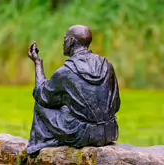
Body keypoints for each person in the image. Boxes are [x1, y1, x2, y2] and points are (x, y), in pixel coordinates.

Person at [27, 25, 121, 155]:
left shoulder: (66, 72)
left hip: (83, 134)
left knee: (40, 105)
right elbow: (116, 105)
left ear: (71, 41)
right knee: (66, 110)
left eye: (65, 38)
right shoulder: (107, 66)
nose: (63, 42)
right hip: (110, 131)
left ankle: (39, 148)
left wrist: (38, 64)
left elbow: (42, 96)